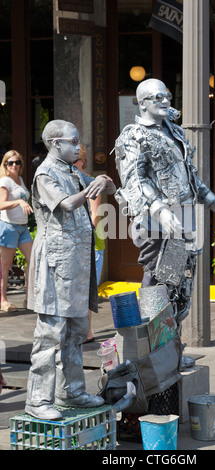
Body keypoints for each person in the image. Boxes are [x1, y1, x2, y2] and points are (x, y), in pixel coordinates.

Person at [114, 78, 215, 332]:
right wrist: (159, 210)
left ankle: (173, 351)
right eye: (157, 98)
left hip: (184, 218)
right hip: (156, 222)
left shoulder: (174, 131)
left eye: (166, 95)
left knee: (180, 286)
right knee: (158, 282)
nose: (165, 101)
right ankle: (154, 353)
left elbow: (189, 177)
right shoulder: (133, 136)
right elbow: (134, 180)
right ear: (143, 104)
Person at [25, 119, 116, 420]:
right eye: (72, 141)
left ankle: (72, 391)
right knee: (51, 333)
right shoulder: (45, 174)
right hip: (54, 261)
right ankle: (38, 400)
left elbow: (108, 186)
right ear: (55, 144)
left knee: (76, 331)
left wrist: (104, 182)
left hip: (77, 262)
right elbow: (65, 205)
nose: (78, 146)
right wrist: (93, 188)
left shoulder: (71, 169)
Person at [74, 144, 105, 342]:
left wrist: (82, 237)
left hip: (91, 242)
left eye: (76, 159)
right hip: (75, 242)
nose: (72, 163)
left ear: (83, 161)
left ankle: (87, 331)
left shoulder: (91, 182)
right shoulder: (64, 182)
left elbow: (95, 216)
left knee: (87, 289)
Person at [0, 150, 33, 311]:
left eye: (17, 162)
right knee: (5, 266)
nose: (14, 165)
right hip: (9, 226)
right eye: (10, 162)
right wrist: (20, 201)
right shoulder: (5, 181)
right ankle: (3, 300)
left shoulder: (19, 179)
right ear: (5, 164)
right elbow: (1, 204)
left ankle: (29, 298)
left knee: (33, 261)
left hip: (23, 227)